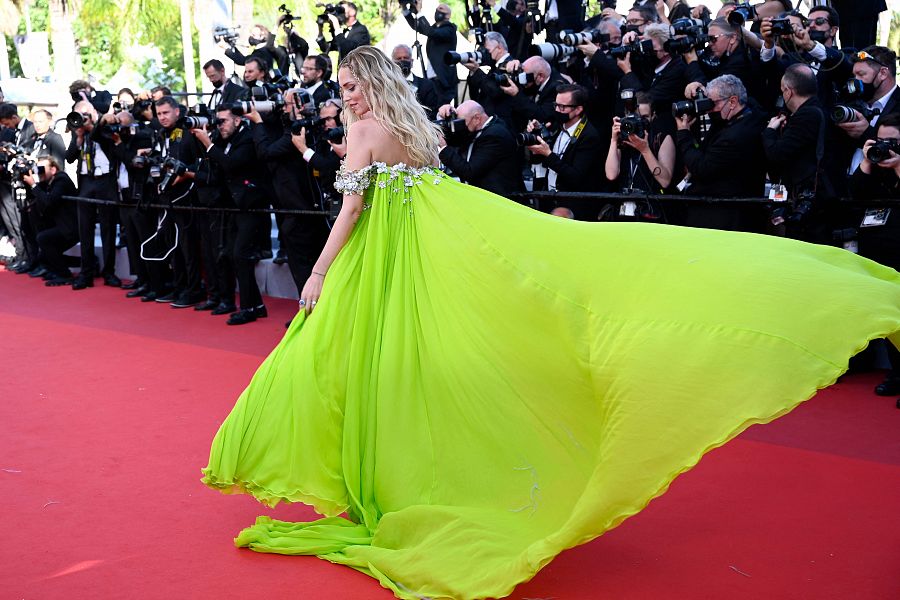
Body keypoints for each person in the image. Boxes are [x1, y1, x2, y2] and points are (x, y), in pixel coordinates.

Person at [202, 46, 900, 600]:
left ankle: (379, 489)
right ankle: (388, 483)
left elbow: (351, 213)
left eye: (352, 83)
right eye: (343, 85)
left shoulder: (363, 131)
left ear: (371, 81)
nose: (345, 93)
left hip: (380, 265)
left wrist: (319, 272)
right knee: (398, 364)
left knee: (347, 362)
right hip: (410, 262)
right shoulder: (411, 128)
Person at [436, 100, 524, 197]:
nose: (461, 126)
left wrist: (443, 147)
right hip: (482, 195)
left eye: (462, 122)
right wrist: (444, 116)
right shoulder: (478, 128)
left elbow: (469, 172)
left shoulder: (495, 135)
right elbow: (454, 138)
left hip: (498, 199)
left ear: (477, 118)